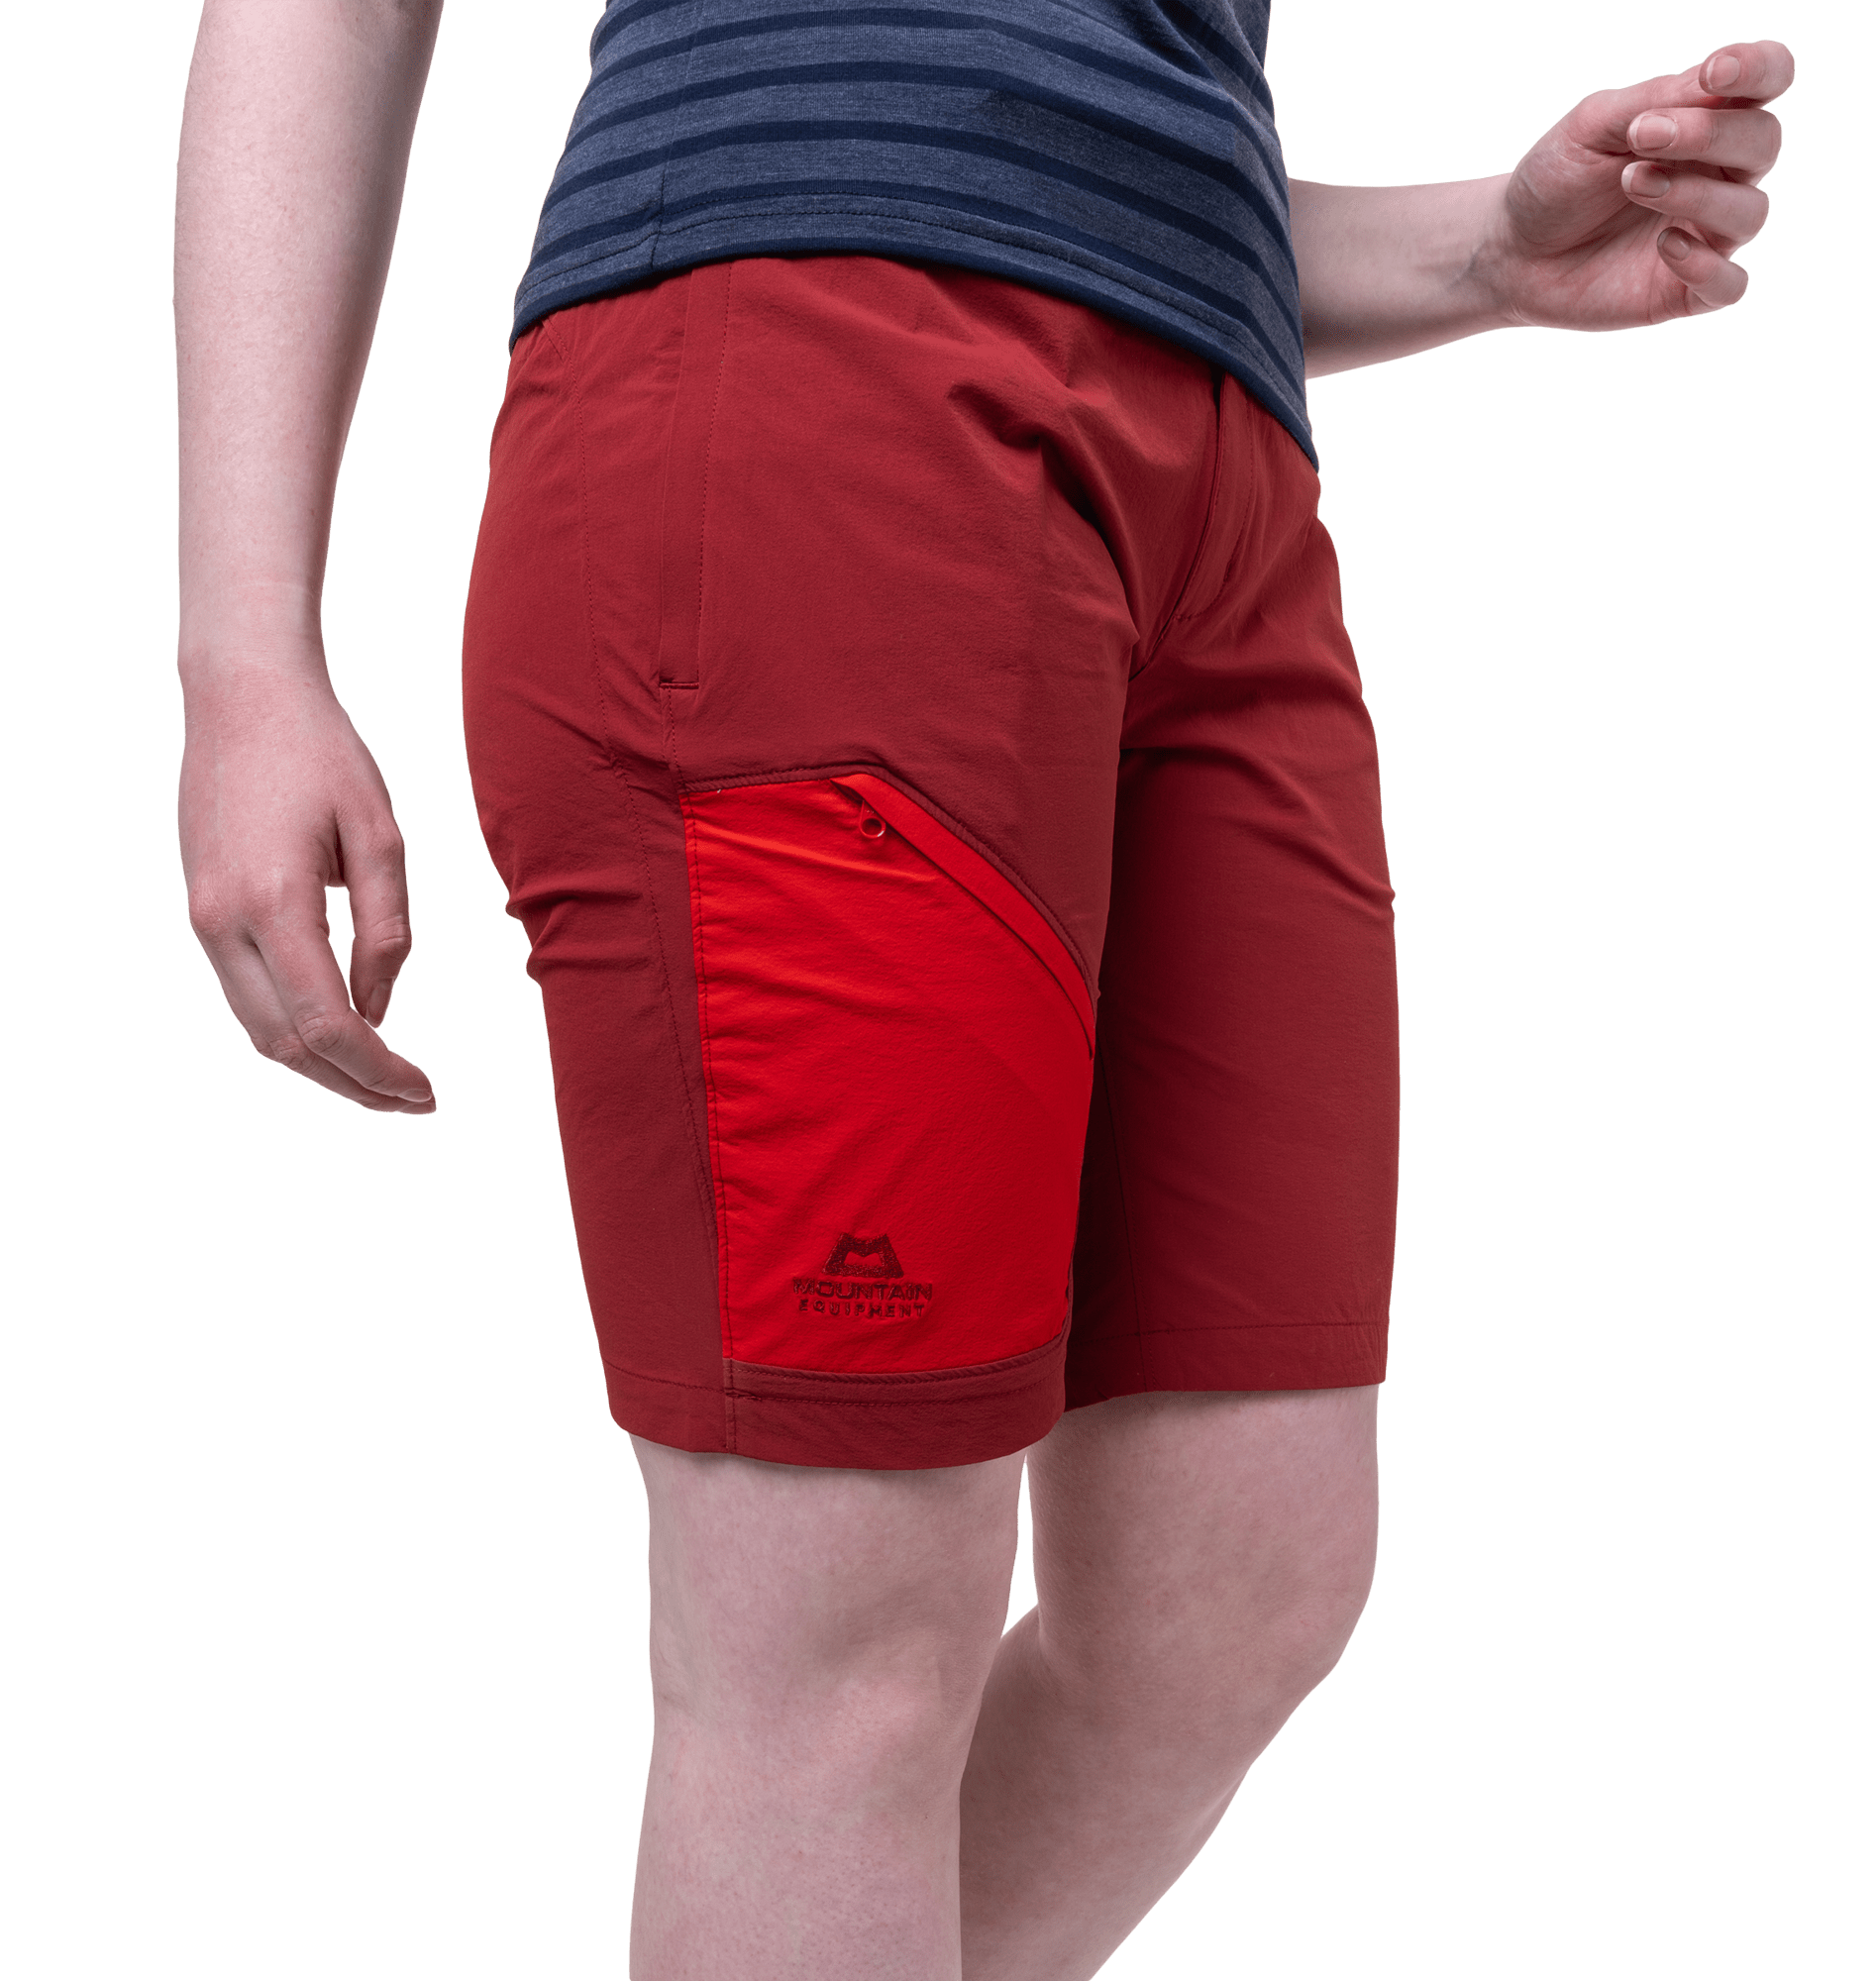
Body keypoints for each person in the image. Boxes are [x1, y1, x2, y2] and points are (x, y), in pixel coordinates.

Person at [172, 5, 1794, 1974]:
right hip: (811, 412)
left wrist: (1480, 252)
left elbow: (1066, 118)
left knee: (1235, 1575)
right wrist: (245, 656)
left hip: (1215, 487)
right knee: (840, 1636)